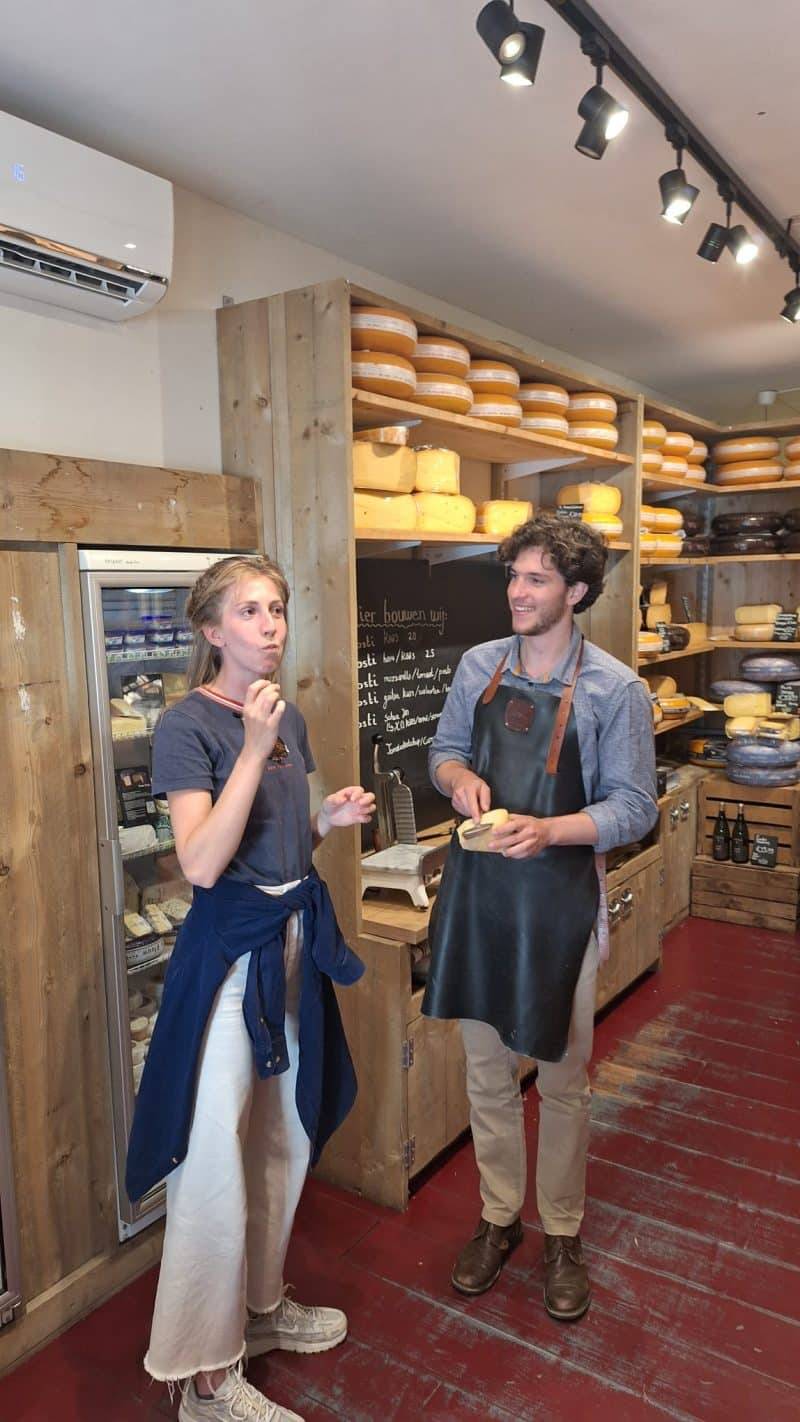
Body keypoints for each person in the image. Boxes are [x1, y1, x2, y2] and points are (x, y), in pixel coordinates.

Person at [125, 555, 374, 1422]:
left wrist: (324, 820)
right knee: (214, 1163)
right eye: (249, 612)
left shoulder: (285, 714)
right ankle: (201, 1379)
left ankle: (260, 1312)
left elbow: (279, 841)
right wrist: (257, 749)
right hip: (230, 958)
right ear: (210, 631)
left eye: (276, 609)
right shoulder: (186, 726)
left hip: (293, 942)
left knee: (282, 1136)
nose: (270, 626)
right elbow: (199, 861)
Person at [422, 513, 657, 1321]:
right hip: (480, 898)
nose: (517, 593)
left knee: (560, 1078)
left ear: (577, 592)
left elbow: (634, 808)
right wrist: (460, 783)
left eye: (536, 581)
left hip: (560, 904)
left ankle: (562, 1231)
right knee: (486, 1075)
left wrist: (549, 830)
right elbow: (444, 750)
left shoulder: (615, 689)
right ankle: (498, 1218)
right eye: (513, 577)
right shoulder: (479, 666)